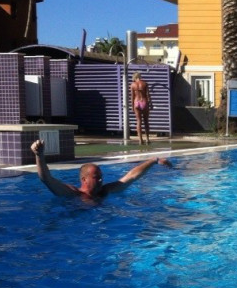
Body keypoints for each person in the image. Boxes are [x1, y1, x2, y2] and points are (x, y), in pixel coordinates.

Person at [30, 139, 170, 200]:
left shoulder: (105, 191)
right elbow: (46, 179)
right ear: (84, 179)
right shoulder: (73, 194)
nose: (101, 180)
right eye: (96, 177)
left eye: (101, 176)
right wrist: (39, 156)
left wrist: (154, 160)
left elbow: (131, 176)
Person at [130, 72, 151, 145]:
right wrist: (150, 104)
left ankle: (140, 140)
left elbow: (132, 97)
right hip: (144, 102)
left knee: (139, 121)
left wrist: (132, 106)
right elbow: (148, 95)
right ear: (140, 77)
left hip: (136, 103)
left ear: (135, 78)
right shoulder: (145, 84)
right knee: (146, 121)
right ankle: (147, 139)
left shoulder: (133, 85)